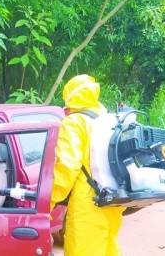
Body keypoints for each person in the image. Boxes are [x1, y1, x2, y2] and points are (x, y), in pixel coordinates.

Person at [50, 74, 125, 256]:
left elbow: (67, 166)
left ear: (69, 99)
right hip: (112, 198)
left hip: (88, 201)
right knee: (108, 249)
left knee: (82, 250)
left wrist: (47, 202)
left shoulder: (75, 122)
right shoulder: (107, 120)